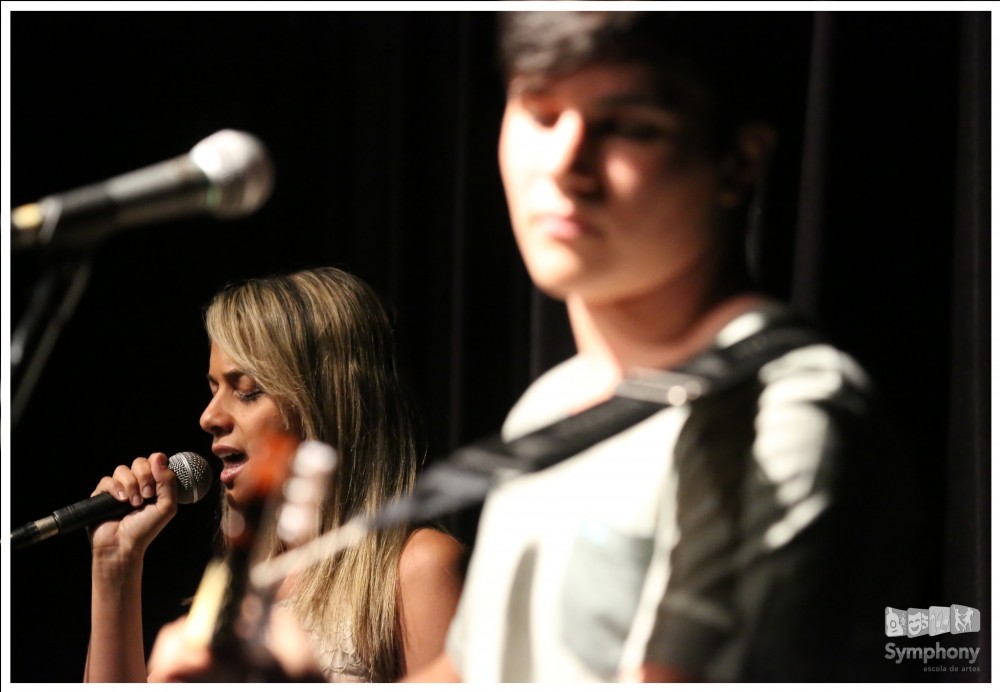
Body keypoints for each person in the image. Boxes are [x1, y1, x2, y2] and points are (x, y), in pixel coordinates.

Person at [148, 10, 912, 683]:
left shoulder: (785, 409)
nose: (566, 166)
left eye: (629, 127)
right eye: (541, 114)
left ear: (738, 162)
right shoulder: (555, 403)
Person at [83, 267, 464, 683]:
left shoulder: (419, 567)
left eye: (246, 390)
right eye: (213, 390)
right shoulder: (239, 587)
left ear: (328, 406)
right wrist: (115, 564)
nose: (209, 417)